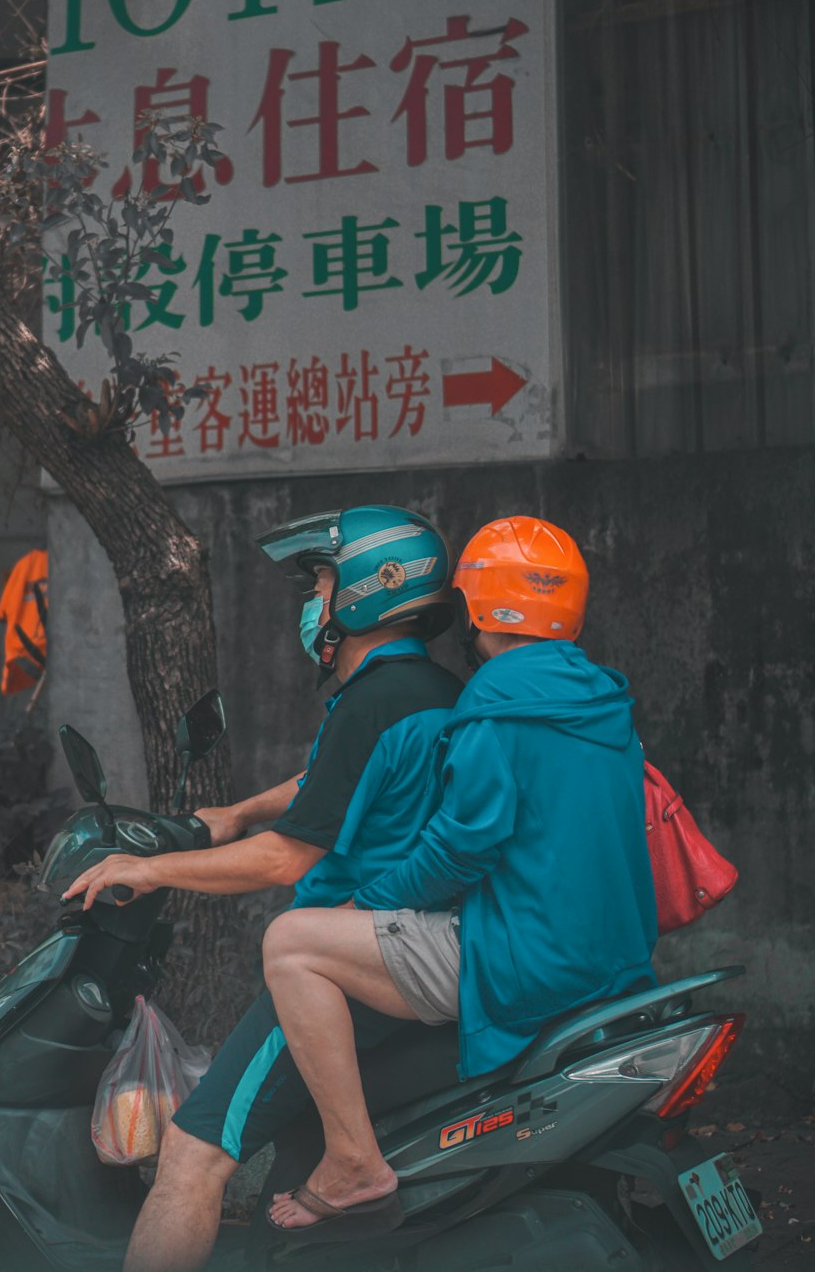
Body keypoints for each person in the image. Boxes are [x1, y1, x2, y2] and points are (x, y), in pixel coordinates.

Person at [63, 505, 464, 1272]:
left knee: (192, 1153)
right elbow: (339, 781)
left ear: (368, 591)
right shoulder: (428, 691)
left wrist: (146, 869)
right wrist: (240, 810)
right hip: (408, 954)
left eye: (320, 581)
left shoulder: (373, 699)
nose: (312, 601)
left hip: (339, 976)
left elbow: (284, 860)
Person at [262, 515, 659, 1241]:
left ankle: (353, 1159)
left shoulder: (496, 704)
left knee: (292, 942)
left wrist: (365, 904)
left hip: (530, 961)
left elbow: (458, 849)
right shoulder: (603, 702)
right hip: (617, 961)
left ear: (476, 607)